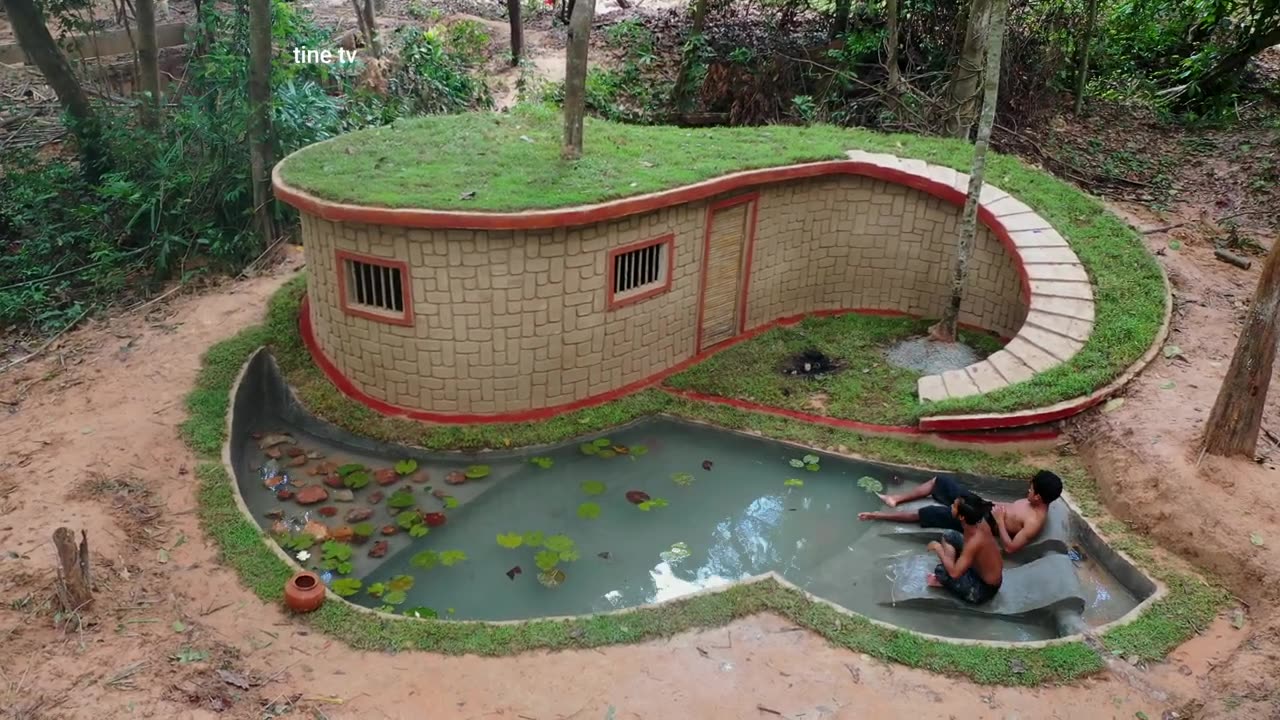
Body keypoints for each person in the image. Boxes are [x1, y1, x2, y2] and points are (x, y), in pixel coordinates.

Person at [857, 470, 1063, 554]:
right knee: (941, 481)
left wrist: (1000, 521)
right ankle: (896, 499)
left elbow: (1010, 548)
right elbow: (1008, 507)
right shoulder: (1033, 502)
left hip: (982, 522)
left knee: (930, 512)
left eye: (1031, 489)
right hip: (985, 507)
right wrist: (991, 503)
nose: (1028, 490)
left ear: (1038, 497)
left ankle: (879, 515)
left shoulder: (1034, 521)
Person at [927, 494, 1003, 604]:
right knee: (949, 535)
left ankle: (948, 578)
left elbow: (954, 573)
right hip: (980, 570)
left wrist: (938, 548)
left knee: (941, 571)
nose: (951, 506)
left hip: (983, 589)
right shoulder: (978, 521)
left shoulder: (974, 541)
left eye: (954, 506)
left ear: (962, 517)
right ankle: (952, 564)